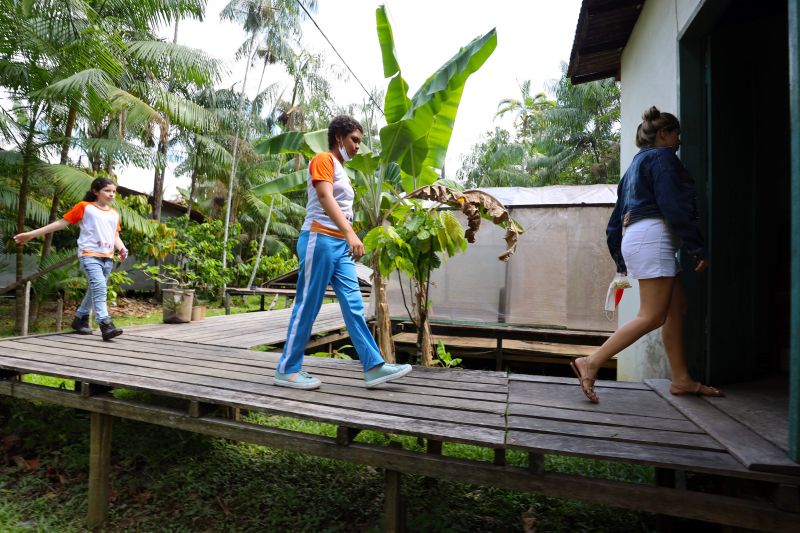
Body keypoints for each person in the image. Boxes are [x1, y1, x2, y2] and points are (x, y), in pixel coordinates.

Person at [570, 106, 723, 403]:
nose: (679, 140)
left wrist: (620, 256)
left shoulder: (633, 169)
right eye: (676, 133)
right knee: (652, 316)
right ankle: (591, 361)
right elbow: (672, 204)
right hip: (654, 236)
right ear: (663, 134)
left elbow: (615, 220)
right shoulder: (664, 158)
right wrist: (695, 245)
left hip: (638, 237)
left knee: (676, 308)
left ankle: (680, 379)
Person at [273, 115, 411, 390]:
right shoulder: (323, 159)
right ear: (339, 137)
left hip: (339, 246)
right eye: (354, 140)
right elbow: (324, 197)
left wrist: (348, 235)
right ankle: (287, 369)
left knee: (354, 304)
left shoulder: (341, 169)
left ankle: (373, 366)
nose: (358, 146)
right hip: (319, 238)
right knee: (309, 304)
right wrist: (350, 232)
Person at [14, 177, 127, 341]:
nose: (111, 194)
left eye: (114, 192)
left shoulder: (113, 214)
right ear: (96, 191)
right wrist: (31, 234)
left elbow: (115, 235)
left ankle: (79, 319)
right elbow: (61, 223)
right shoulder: (85, 207)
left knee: (94, 288)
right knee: (100, 286)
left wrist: (122, 248)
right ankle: (105, 323)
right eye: (107, 191)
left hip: (107, 258)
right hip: (89, 255)